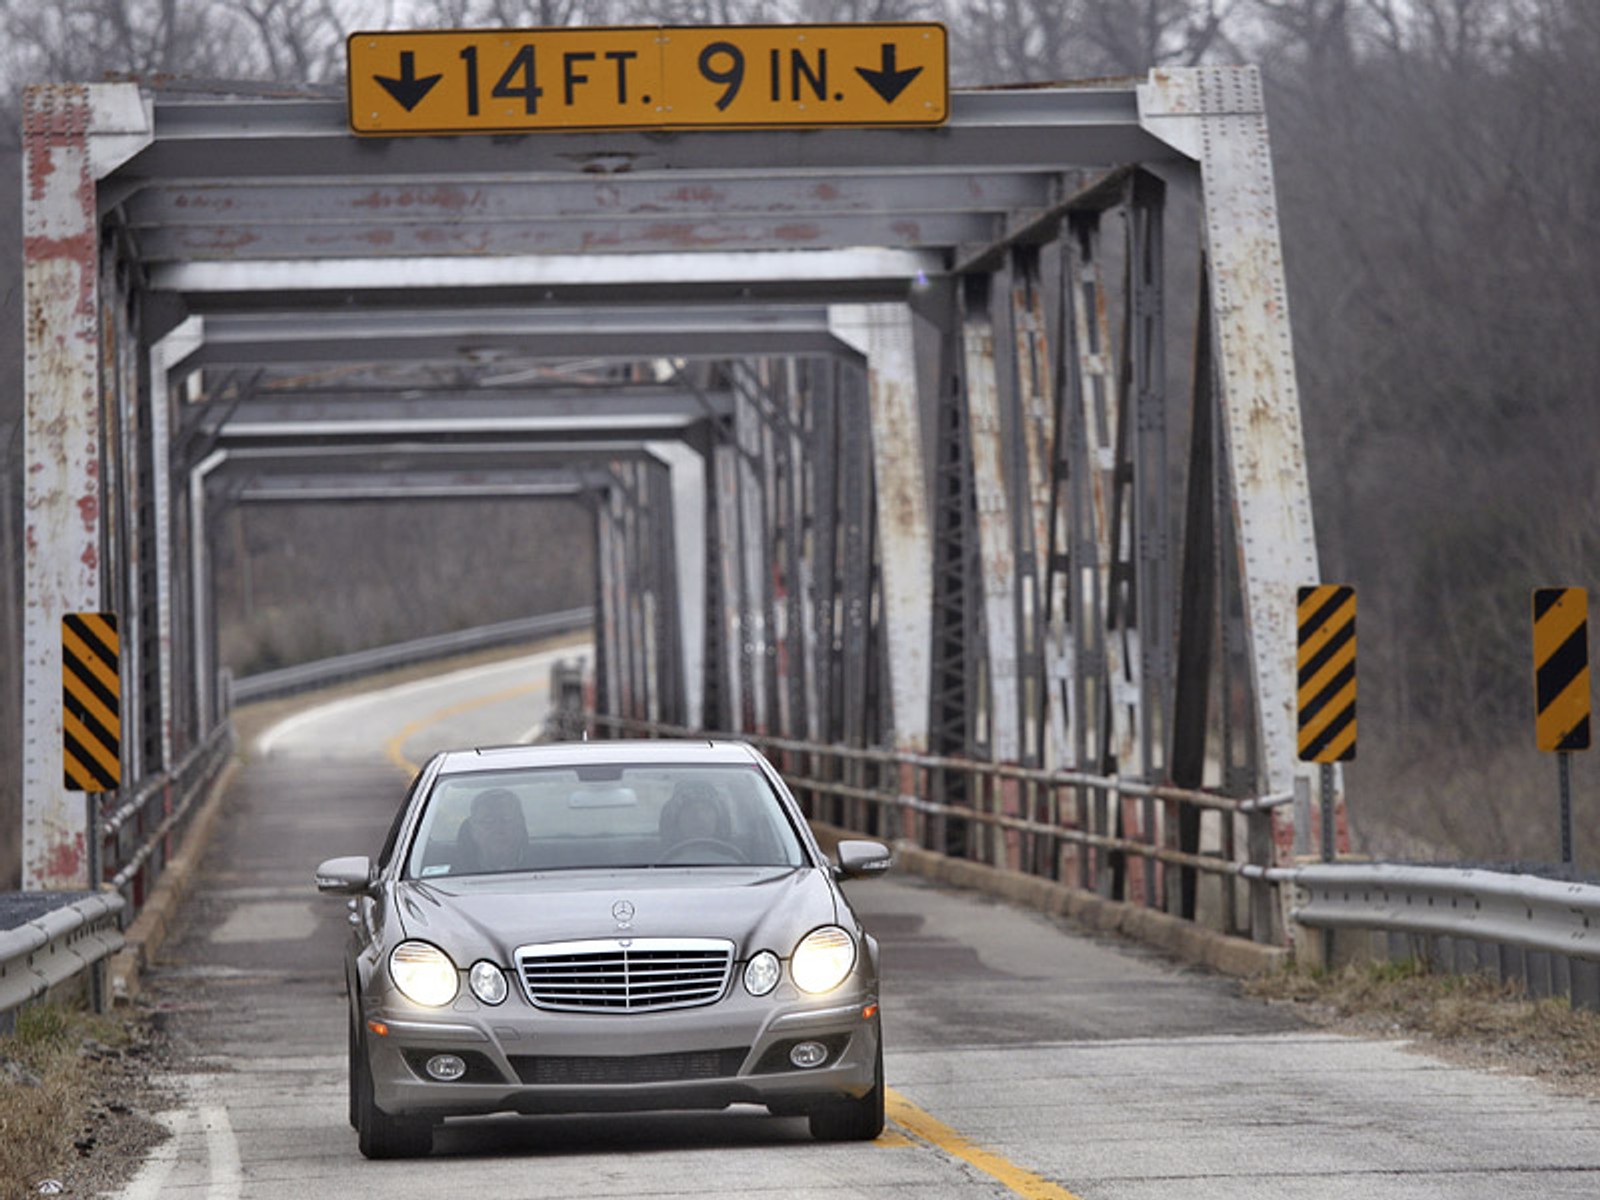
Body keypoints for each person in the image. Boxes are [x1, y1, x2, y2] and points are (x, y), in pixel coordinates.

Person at [455, 787, 528, 873]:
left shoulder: (545, 861)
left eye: (506, 820)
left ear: (521, 825)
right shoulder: (451, 871)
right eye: (488, 821)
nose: (498, 829)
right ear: (473, 829)